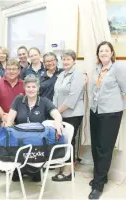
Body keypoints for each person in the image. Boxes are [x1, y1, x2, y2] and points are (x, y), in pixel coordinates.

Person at [6, 75, 63, 182]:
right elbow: (10, 119)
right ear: (24, 88)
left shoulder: (44, 101)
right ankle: (21, 169)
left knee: (36, 179)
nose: (31, 89)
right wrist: (8, 129)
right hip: (21, 140)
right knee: (16, 178)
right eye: (28, 87)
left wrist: (57, 122)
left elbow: (57, 115)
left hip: (37, 142)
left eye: (33, 87)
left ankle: (32, 169)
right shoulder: (18, 100)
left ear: (38, 88)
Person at [88, 41, 126, 200]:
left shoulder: (118, 68)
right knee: (96, 146)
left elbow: (125, 90)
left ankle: (98, 186)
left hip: (110, 113)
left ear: (111, 53)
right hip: (95, 111)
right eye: (100, 51)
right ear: (98, 54)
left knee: (104, 148)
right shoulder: (97, 69)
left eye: (106, 50)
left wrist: (121, 109)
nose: (103, 53)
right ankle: (100, 177)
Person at [52, 50, 85, 181]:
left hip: (73, 114)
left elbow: (72, 98)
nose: (65, 62)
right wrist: (54, 111)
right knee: (62, 140)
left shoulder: (77, 75)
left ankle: (68, 172)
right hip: (60, 113)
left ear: (74, 61)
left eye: (68, 59)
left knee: (69, 141)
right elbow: (56, 94)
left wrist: (57, 112)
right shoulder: (61, 74)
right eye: (64, 59)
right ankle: (64, 166)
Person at [0, 59, 25, 126]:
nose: (11, 71)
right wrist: (4, 117)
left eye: (14, 69)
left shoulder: (24, 85)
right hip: (3, 116)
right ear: (5, 70)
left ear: (19, 71)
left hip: (21, 118)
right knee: (7, 127)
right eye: (9, 69)